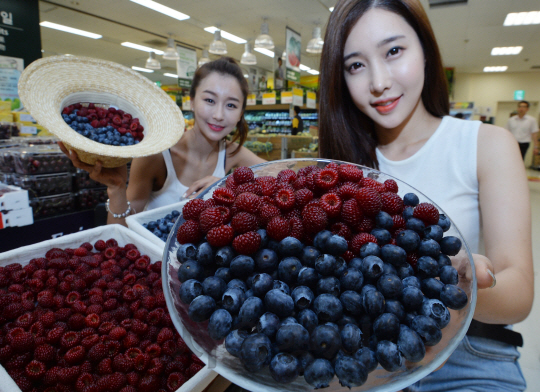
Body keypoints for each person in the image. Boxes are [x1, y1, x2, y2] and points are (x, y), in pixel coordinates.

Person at [318, 1, 533, 391]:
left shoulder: (485, 144)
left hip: (469, 356)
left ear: (426, 51)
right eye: (355, 65)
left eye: (394, 51)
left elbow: (519, 295)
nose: (378, 81)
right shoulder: (338, 169)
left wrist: (458, 283)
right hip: (365, 363)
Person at [60, 57, 265, 226]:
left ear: (240, 114)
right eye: (209, 100)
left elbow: (289, 179)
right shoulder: (157, 154)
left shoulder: (234, 153)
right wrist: (116, 190)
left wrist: (230, 185)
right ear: (191, 101)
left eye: (231, 105)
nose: (219, 115)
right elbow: (121, 233)